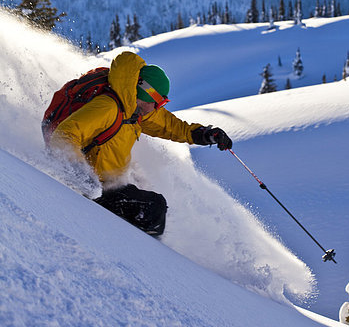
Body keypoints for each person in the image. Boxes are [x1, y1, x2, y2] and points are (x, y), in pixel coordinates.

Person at [47, 50, 232, 235]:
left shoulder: (136, 111)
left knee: (146, 187)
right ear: (144, 90)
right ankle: (130, 251)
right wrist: (83, 178)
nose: (157, 107)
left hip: (110, 182)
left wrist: (205, 134)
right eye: (158, 100)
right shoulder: (108, 107)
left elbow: (172, 127)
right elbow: (64, 134)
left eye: (162, 102)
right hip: (96, 188)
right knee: (154, 207)